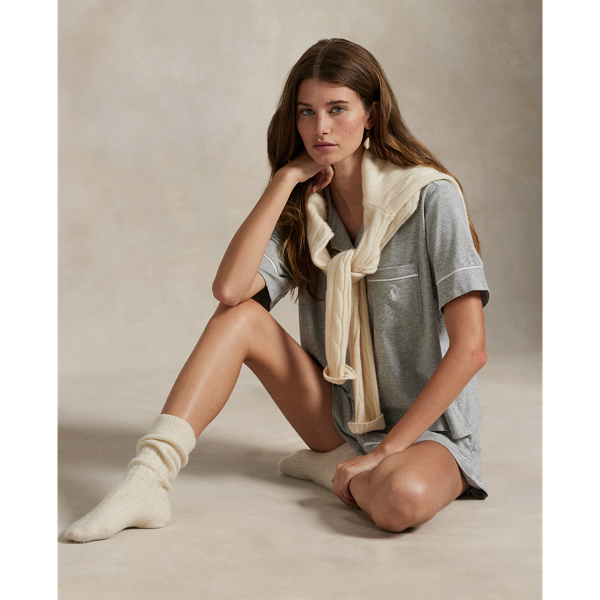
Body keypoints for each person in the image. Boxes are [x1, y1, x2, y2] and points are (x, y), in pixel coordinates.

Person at [65, 38, 489, 543]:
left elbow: (471, 350)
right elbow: (230, 290)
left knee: (401, 502)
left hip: (430, 432)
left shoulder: (431, 197)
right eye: (307, 112)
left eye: (337, 109)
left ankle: (338, 467)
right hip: (339, 416)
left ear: (372, 114)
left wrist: (384, 452)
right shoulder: (307, 208)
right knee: (240, 317)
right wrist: (285, 179)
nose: (320, 127)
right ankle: (147, 480)